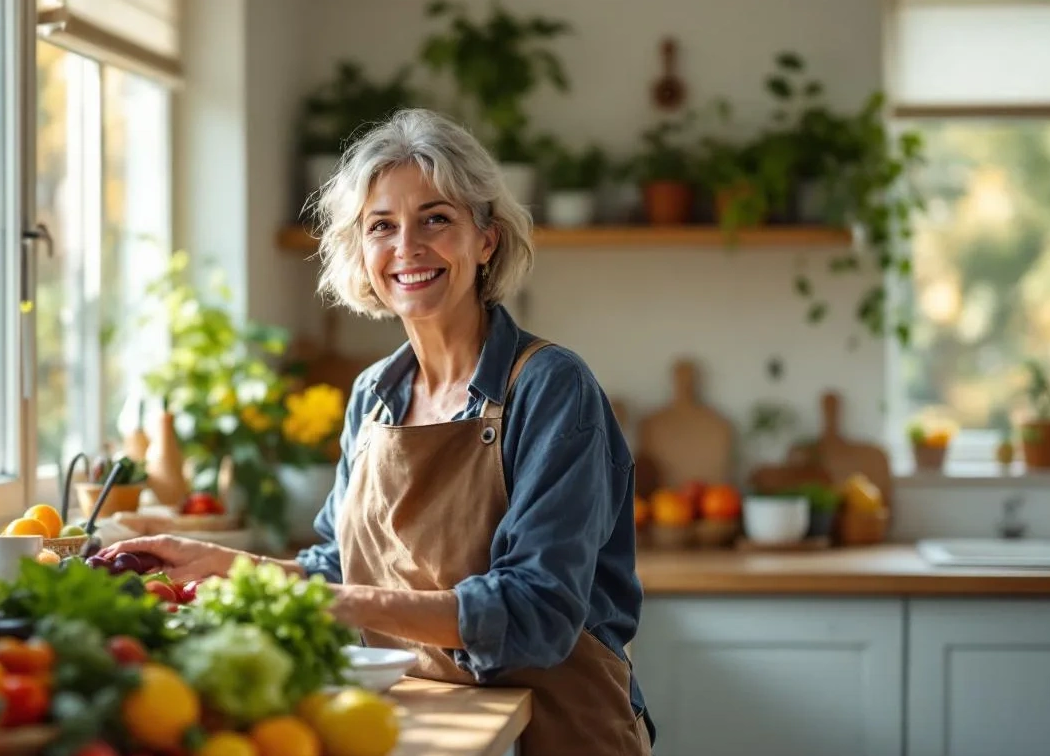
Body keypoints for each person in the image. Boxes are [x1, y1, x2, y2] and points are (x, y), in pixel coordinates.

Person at [106, 108, 654, 754]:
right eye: (381, 226)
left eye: (436, 219)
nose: (407, 247)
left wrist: (341, 602)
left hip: (558, 732)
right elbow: (340, 568)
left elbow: (538, 612)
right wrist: (230, 567)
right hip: (427, 725)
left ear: (486, 240)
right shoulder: (374, 396)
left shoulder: (550, 387)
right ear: (361, 253)